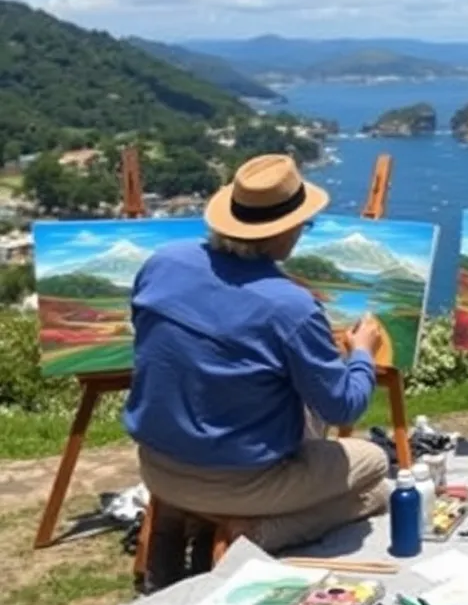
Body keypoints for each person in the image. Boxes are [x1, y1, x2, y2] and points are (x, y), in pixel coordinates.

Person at [124, 154, 391, 561]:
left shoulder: (163, 263)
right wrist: (361, 354)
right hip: (242, 481)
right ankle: (253, 534)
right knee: (374, 472)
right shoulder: (289, 307)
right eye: (303, 223)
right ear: (283, 232)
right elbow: (343, 408)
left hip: (158, 467)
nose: (303, 231)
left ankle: (192, 519)